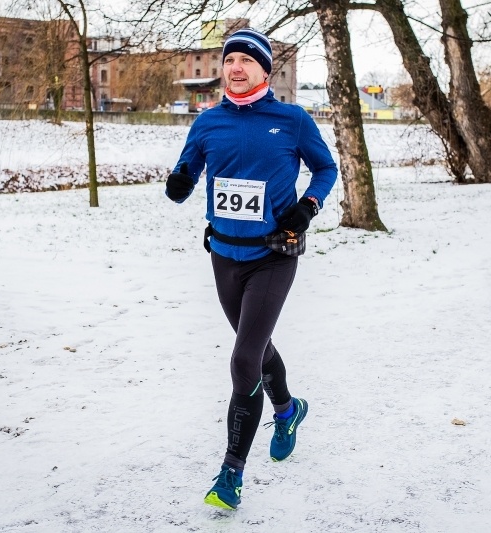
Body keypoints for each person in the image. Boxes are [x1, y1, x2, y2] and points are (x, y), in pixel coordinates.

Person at [165, 28, 338, 510]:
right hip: (224, 256)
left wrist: (308, 206)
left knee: (243, 360)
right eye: (229, 60)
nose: (235, 68)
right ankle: (288, 410)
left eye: (246, 60)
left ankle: (230, 475)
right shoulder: (207, 123)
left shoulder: (292, 120)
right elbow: (187, 171)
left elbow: (326, 170)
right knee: (256, 348)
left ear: (264, 69)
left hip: (274, 254)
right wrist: (179, 184)